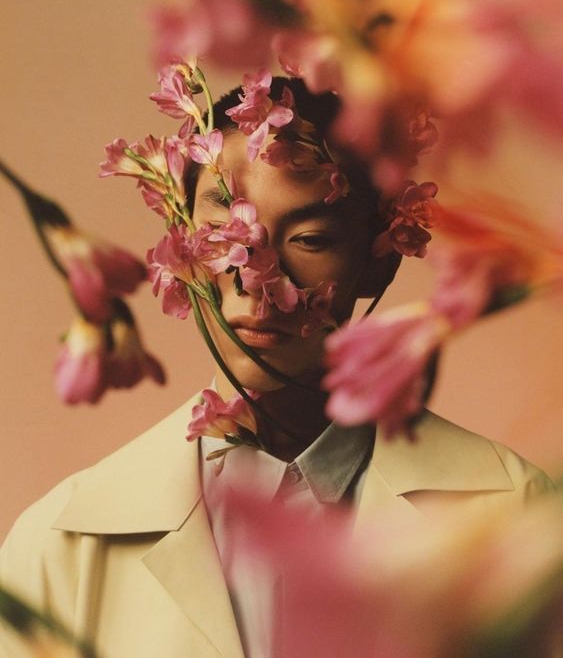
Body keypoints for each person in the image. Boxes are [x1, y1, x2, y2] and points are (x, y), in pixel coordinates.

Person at [0, 79, 553, 658]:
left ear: (379, 259)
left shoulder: (518, 519)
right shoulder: (57, 549)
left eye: (310, 238)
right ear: (183, 246)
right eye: (226, 236)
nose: (255, 279)